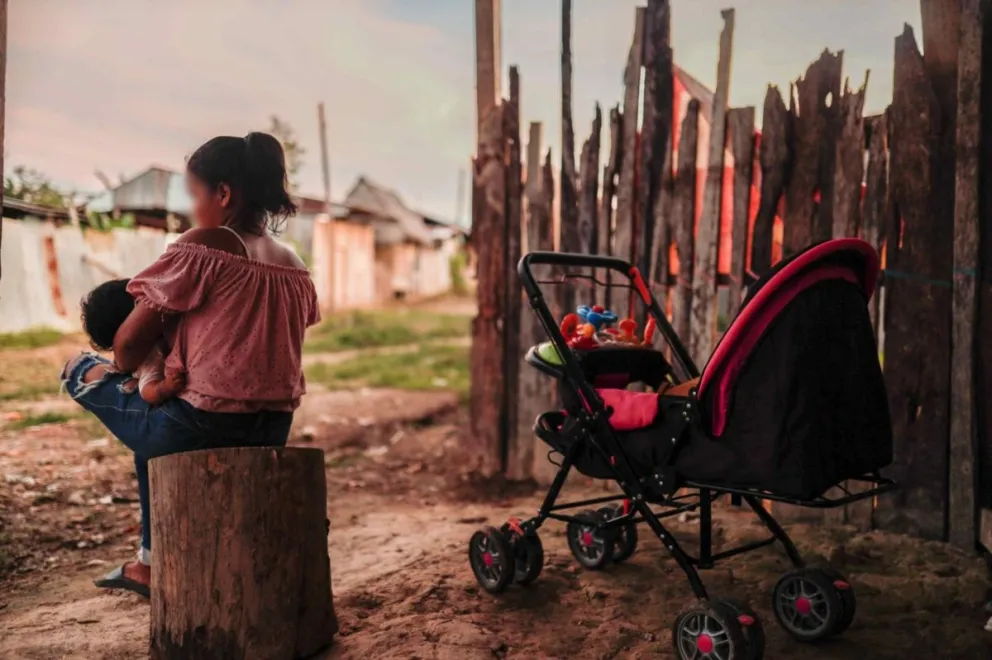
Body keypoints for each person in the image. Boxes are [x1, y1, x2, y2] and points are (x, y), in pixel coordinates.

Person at [61, 132, 320, 598]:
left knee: (79, 367)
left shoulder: (207, 244)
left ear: (223, 193)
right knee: (150, 429)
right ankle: (149, 561)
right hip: (273, 427)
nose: (192, 209)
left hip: (200, 425)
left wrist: (137, 353)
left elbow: (127, 347)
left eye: (194, 195)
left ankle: (149, 563)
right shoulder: (295, 266)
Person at [79, 278, 186, 405]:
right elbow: (147, 392)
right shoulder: (149, 359)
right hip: (173, 406)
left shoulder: (160, 330)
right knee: (76, 367)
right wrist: (165, 387)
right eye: (139, 303)